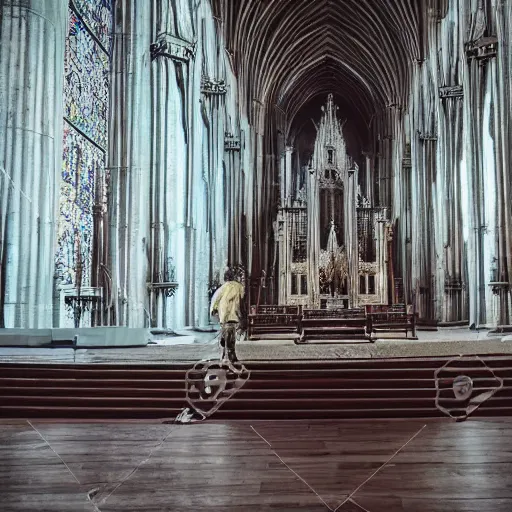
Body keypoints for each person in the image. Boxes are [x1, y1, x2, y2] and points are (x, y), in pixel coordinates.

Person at [210, 270, 246, 363]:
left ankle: (224, 348)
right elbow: (242, 300)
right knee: (231, 334)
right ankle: (231, 353)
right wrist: (243, 314)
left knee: (226, 330)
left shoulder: (223, 287)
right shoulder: (239, 287)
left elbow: (216, 299)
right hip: (234, 312)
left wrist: (214, 309)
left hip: (224, 313)